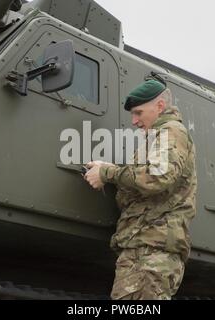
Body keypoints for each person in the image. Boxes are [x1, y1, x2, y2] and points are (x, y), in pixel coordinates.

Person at [84, 79, 197, 300]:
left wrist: (108, 173)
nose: (134, 121)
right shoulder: (158, 136)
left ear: (160, 107)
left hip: (151, 252)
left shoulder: (170, 132)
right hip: (144, 248)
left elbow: (158, 176)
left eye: (138, 112)